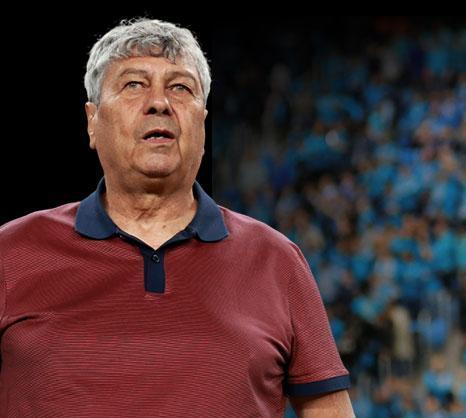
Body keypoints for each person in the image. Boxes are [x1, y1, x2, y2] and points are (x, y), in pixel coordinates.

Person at [0, 18, 354, 417]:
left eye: (180, 88)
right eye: (134, 85)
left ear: (202, 121)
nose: (159, 103)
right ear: (92, 122)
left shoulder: (277, 260)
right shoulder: (11, 252)